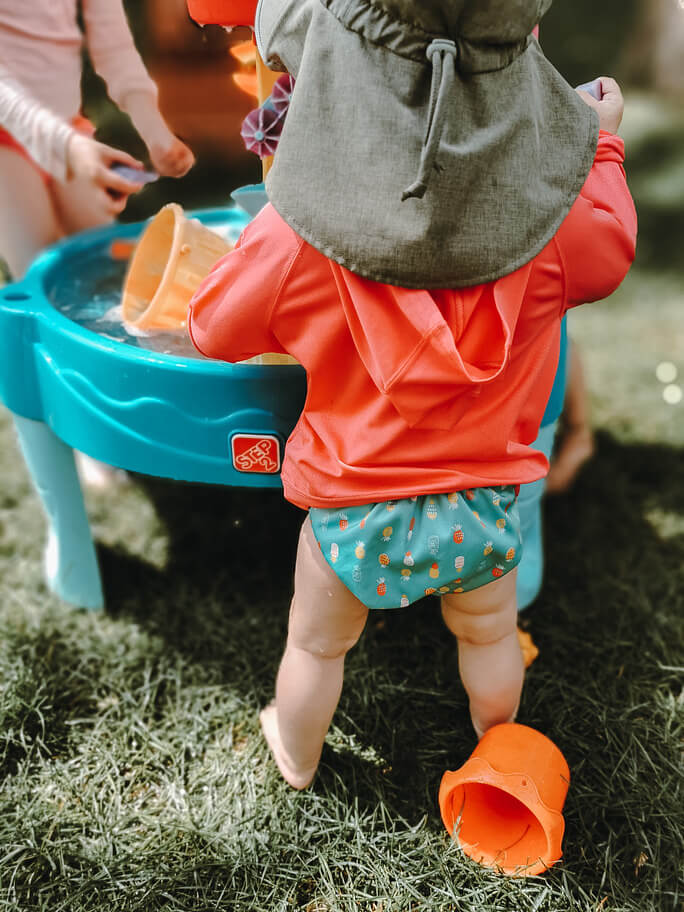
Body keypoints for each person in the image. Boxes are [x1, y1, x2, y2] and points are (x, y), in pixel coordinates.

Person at [188, 0, 637, 789]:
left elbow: (215, 331)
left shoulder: (296, 236)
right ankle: (495, 740)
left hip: (352, 514)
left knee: (317, 646)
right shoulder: (554, 230)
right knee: (490, 636)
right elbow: (611, 249)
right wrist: (600, 145)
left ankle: (294, 754)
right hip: (485, 507)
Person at [0, 0, 195, 485]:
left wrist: (154, 130)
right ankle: (72, 441)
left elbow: (113, 45)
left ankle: (107, 419)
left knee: (102, 278)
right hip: (8, 140)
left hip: (68, 127)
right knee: (43, 285)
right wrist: (69, 149)